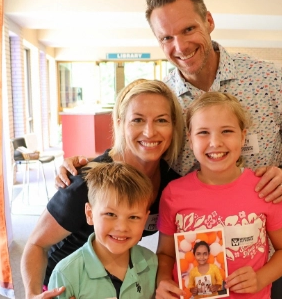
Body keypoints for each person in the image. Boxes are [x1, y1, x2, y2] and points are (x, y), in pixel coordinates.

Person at [57, 0, 282, 297]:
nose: (180, 46)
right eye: (166, 37)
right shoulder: (166, 98)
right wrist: (90, 165)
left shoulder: (266, 79)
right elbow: (140, 142)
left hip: (260, 259)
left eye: (188, 29)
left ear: (209, 21)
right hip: (191, 270)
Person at [22, 79, 186, 299]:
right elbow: (36, 244)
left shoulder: (170, 184)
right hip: (66, 287)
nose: (149, 132)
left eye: (161, 120)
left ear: (173, 126)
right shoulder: (85, 182)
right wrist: (32, 295)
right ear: (120, 123)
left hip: (116, 282)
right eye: (137, 120)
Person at [156, 92, 282, 299]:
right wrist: (163, 280)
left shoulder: (264, 189)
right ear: (190, 138)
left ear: (242, 136)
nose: (215, 142)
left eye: (227, 131)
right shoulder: (173, 194)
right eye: (203, 132)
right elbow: (165, 254)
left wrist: (260, 278)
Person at [47, 162, 159, 298]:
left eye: (134, 217)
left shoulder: (151, 263)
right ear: (89, 214)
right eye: (110, 214)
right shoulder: (65, 274)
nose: (122, 227)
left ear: (145, 218)